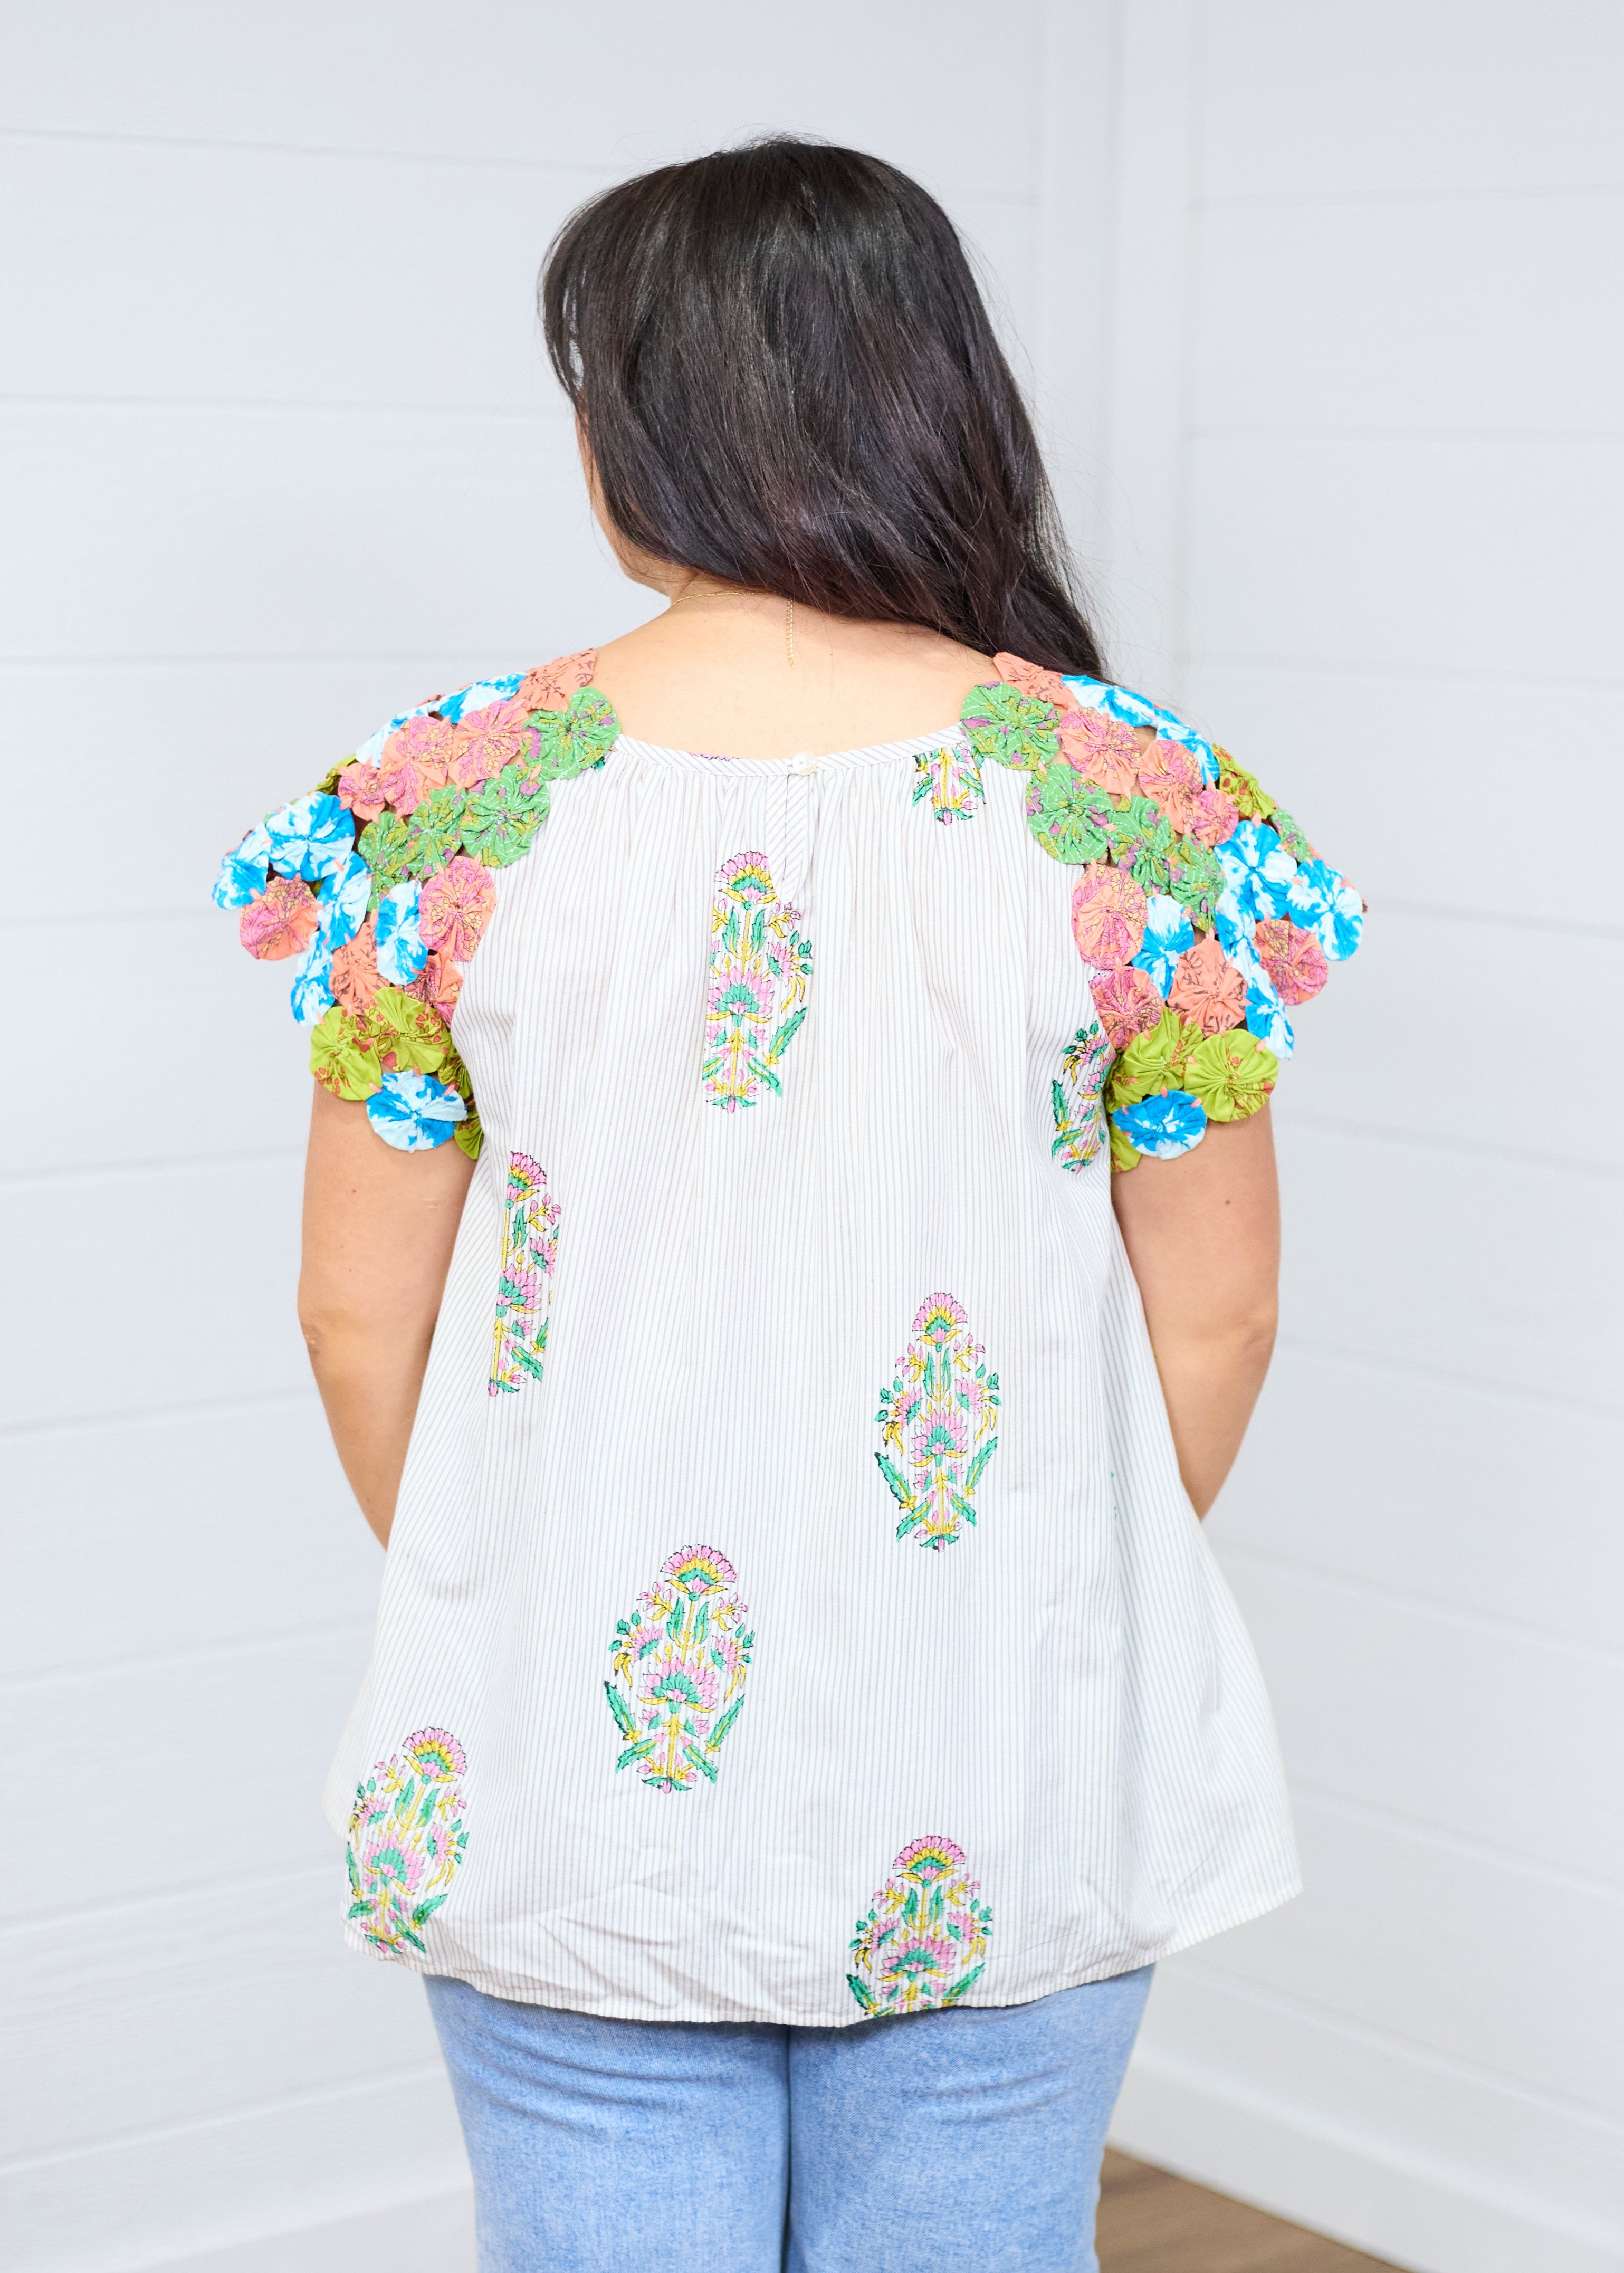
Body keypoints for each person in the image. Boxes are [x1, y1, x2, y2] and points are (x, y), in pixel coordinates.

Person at [215, 137, 1362, 2273]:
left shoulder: (434, 803)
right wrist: (1010, 1583)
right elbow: (1216, 1326)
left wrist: (530, 1584)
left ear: (636, 417)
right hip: (1006, 1761)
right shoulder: (1137, 805)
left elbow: (352, 1323)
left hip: (568, 1774)